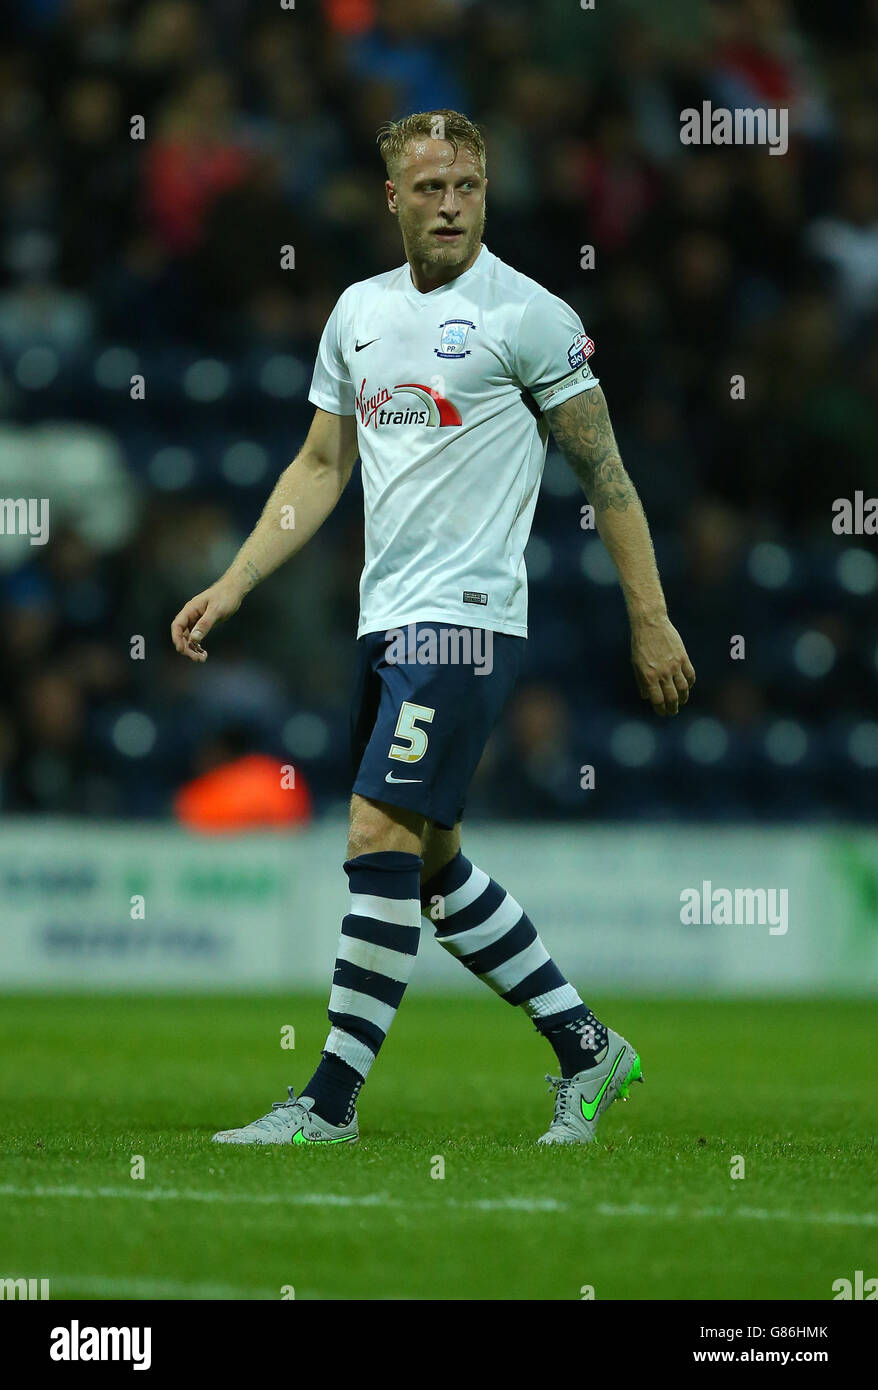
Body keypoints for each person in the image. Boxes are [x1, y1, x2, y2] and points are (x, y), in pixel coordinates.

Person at [171, 109, 695, 1147]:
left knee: (373, 834)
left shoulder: (528, 315)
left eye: (464, 186)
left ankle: (325, 1103)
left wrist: (651, 616)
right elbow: (321, 468)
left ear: (486, 192)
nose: (448, 203)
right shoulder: (357, 313)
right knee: (430, 869)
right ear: (392, 198)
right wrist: (233, 582)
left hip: (464, 623)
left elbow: (607, 474)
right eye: (427, 188)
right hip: (384, 619)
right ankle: (586, 1046)